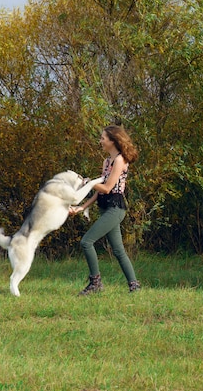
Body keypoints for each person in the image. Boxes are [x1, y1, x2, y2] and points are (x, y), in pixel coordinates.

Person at [69, 125, 141, 294]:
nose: (100, 141)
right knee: (118, 250)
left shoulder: (120, 160)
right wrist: (82, 207)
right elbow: (98, 191)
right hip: (105, 206)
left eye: (103, 138)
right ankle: (134, 286)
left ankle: (95, 284)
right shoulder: (107, 161)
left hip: (115, 208)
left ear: (113, 140)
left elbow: (108, 188)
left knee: (86, 242)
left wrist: (88, 182)